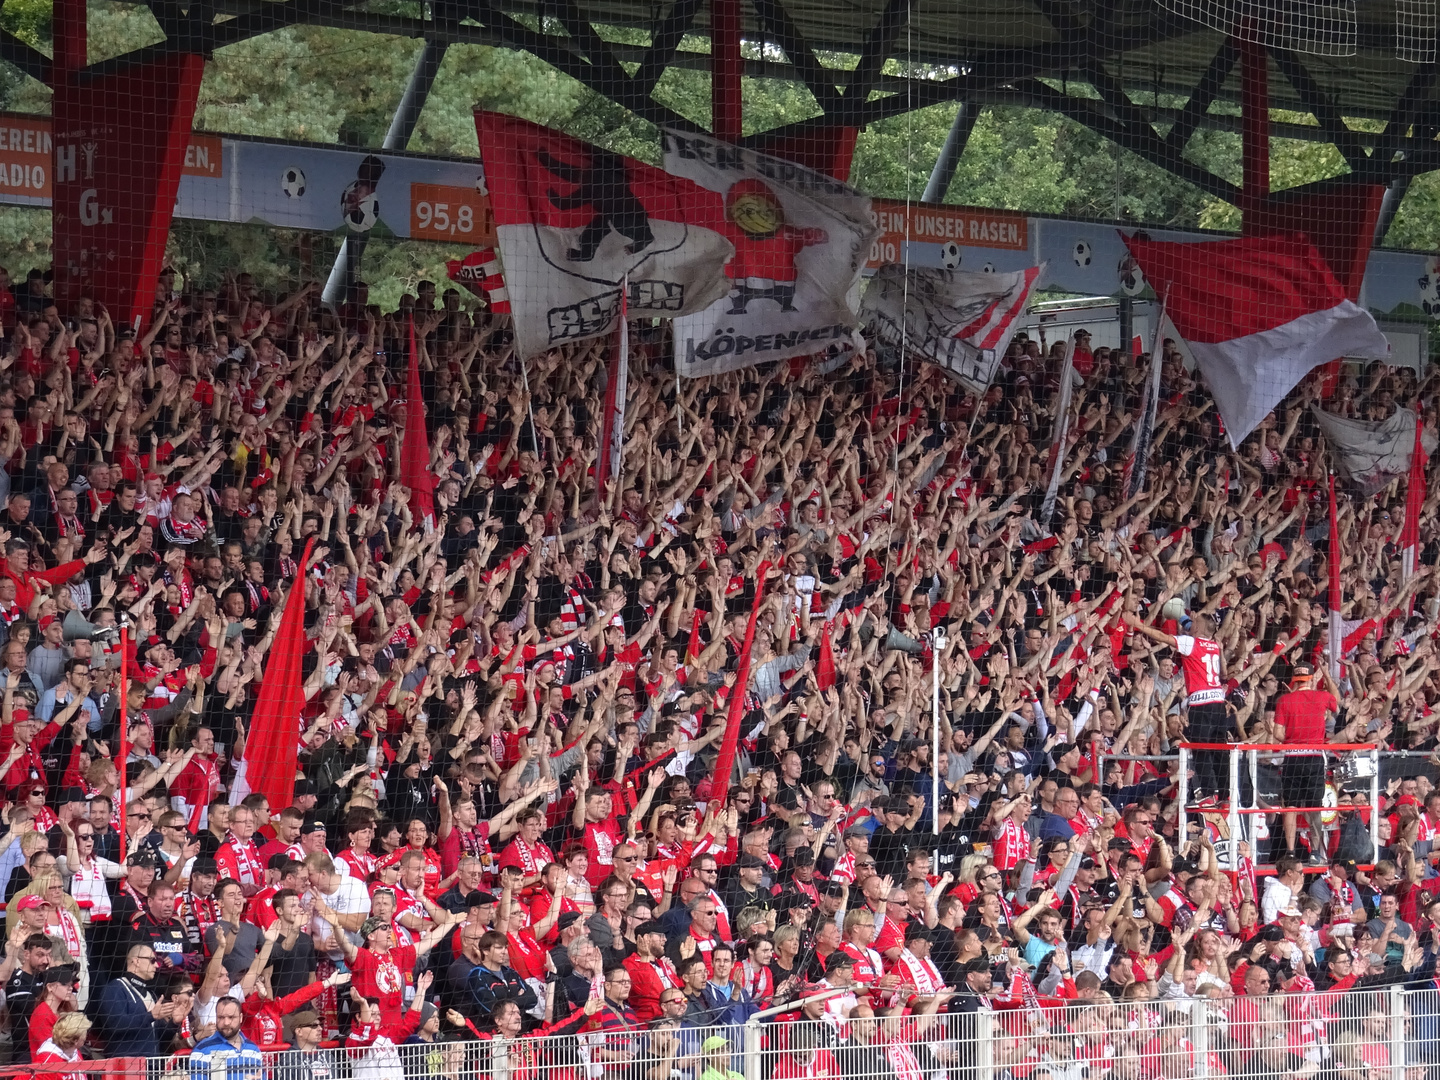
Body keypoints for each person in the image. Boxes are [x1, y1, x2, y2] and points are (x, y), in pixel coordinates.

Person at [95, 943, 182, 1056]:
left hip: (152, 1066)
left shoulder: (151, 995)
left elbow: (161, 1037)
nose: (156, 965)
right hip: (125, 1067)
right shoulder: (116, 988)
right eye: (152, 960)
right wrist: (151, 1016)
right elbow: (115, 1024)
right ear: (136, 961)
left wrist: (174, 1023)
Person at [189, 996, 265, 1080]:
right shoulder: (201, 1050)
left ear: (241, 1018)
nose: (226, 1023)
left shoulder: (254, 1050)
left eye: (231, 1017)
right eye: (221, 1017)